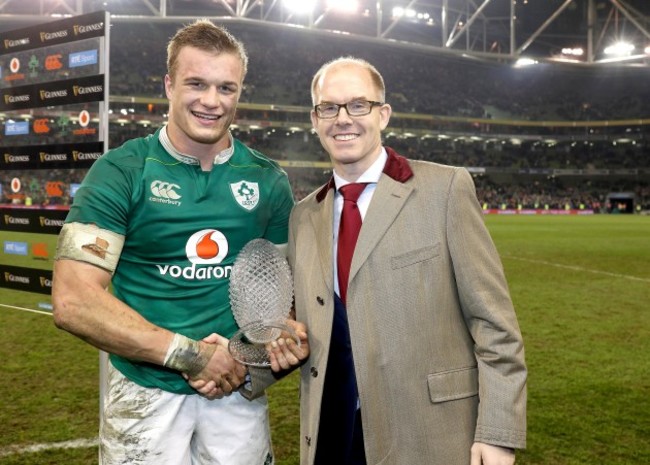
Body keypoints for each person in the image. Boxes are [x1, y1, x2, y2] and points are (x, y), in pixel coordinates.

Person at [52, 19, 308, 465]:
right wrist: (193, 357)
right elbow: (74, 300)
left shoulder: (268, 182)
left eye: (226, 88)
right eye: (196, 84)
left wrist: (246, 357)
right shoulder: (121, 172)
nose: (212, 101)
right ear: (169, 85)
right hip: (143, 394)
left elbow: (286, 304)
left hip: (236, 394)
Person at [287, 56, 527, 465]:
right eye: (329, 107)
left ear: (383, 114)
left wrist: (497, 433)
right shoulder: (304, 215)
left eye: (358, 105)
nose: (343, 119)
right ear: (315, 119)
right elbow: (302, 326)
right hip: (331, 434)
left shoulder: (445, 189)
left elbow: (494, 325)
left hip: (429, 434)